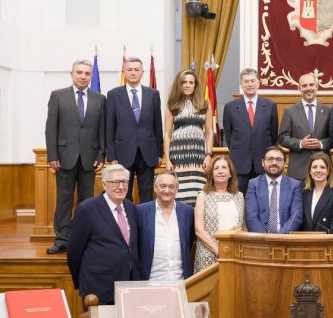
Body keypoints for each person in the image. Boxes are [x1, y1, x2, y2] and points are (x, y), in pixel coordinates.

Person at [44, 59, 106, 255]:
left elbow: (102, 130)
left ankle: (84, 238)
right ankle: (62, 239)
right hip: (64, 157)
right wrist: (52, 154)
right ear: (72, 74)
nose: (83, 76)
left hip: (90, 158)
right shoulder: (58, 96)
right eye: (79, 72)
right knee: (64, 199)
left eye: (87, 73)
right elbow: (50, 128)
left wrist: (101, 154)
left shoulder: (100, 99)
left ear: (91, 76)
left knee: (87, 201)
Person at [67, 164, 140, 305]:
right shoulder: (87, 209)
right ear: (104, 184)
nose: (121, 186)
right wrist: (82, 283)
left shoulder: (131, 208)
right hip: (98, 289)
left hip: (129, 287)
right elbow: (74, 251)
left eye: (124, 182)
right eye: (115, 182)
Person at [106, 57, 164, 203]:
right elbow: (110, 127)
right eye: (129, 69)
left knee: (147, 194)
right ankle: (127, 224)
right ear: (124, 72)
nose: (133, 73)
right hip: (122, 152)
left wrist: (159, 153)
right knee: (124, 193)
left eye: (136, 70)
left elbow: (158, 126)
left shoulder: (153, 94)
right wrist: (112, 156)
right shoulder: (113, 95)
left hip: (148, 152)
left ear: (142, 72)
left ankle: (145, 225)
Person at [223, 68, 279, 194]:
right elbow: (229, 135)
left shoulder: (270, 106)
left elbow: (274, 135)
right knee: (239, 201)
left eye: (253, 81)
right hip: (239, 165)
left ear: (258, 82)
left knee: (263, 199)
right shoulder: (230, 107)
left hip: (263, 164)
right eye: (246, 81)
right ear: (241, 84)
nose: (250, 84)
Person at [163, 69, 213, 206]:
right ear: (179, 84)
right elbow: (167, 134)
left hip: (198, 155)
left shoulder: (204, 104)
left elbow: (209, 132)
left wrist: (208, 155)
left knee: (198, 191)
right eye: (184, 82)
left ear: (195, 85)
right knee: (180, 192)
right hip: (178, 155)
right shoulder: (172, 105)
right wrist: (167, 159)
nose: (187, 85)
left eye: (191, 82)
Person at [136, 172, 195, 281]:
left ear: (177, 189)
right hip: (150, 281)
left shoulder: (187, 211)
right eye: (163, 186)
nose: (167, 190)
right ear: (155, 188)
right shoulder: (140, 211)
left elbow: (189, 242)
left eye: (171, 186)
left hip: (181, 281)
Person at [194, 155, 244, 273]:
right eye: (216, 168)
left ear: (230, 173)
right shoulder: (203, 196)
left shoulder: (239, 197)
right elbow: (199, 230)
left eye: (224, 167)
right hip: (208, 254)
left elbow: (243, 227)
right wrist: (219, 251)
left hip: (234, 254)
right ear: (211, 174)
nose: (220, 171)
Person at [278, 73, 332, 181]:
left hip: (323, 168)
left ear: (317, 87)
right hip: (298, 170)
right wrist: (300, 143)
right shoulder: (290, 111)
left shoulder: (328, 111)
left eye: (311, 85)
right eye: (304, 86)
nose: (308, 88)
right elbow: (282, 138)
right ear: (299, 88)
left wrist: (321, 144)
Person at [245, 146, 303, 234]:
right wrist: (265, 239)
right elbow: (251, 217)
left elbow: (296, 217)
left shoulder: (295, 185)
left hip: (285, 240)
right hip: (260, 241)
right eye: (270, 159)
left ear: (285, 163)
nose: (274, 162)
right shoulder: (254, 184)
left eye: (279, 159)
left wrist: (279, 238)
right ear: (263, 162)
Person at [301, 152, 333, 233]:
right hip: (306, 242)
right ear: (310, 171)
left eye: (322, 167)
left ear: (328, 171)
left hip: (327, 243)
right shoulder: (304, 192)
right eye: (314, 167)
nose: (318, 170)